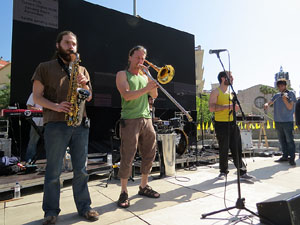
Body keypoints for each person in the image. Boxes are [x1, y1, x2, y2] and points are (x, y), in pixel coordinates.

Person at [32, 31, 99, 224]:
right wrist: (56, 106)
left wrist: (85, 85)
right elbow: (36, 97)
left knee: (81, 170)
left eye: (74, 44)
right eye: (67, 43)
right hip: (55, 124)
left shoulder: (82, 70)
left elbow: (89, 97)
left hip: (80, 124)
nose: (71, 46)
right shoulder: (44, 67)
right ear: (58, 45)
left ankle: (85, 207)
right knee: (53, 171)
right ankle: (51, 212)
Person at [116, 45, 159, 208]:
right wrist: (146, 88)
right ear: (130, 57)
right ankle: (124, 191)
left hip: (147, 118)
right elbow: (126, 95)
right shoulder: (122, 74)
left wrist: (150, 80)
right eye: (137, 57)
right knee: (128, 154)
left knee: (149, 152)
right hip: (130, 119)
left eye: (143, 58)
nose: (140, 61)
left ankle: (143, 185)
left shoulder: (144, 75)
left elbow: (153, 95)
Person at [209, 71, 255, 181]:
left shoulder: (230, 93)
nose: (233, 78)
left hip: (233, 124)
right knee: (224, 148)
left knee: (237, 148)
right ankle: (223, 172)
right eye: (230, 77)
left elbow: (231, 108)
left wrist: (235, 109)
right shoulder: (216, 92)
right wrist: (228, 106)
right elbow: (211, 108)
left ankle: (242, 172)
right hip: (221, 124)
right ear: (223, 78)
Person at [264, 78, 297, 166]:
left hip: (287, 121)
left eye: (282, 86)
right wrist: (267, 104)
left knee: (290, 140)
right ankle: (285, 156)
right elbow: (270, 102)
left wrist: (285, 100)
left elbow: (290, 107)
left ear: (285, 86)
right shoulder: (277, 95)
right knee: (282, 140)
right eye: (279, 86)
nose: (280, 88)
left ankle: (292, 158)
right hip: (278, 121)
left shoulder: (291, 94)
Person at [25, 93, 43, 164]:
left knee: (52, 142)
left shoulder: (52, 92)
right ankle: (29, 160)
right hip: (37, 121)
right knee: (33, 141)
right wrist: (37, 110)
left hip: (50, 121)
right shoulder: (34, 93)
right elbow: (29, 107)